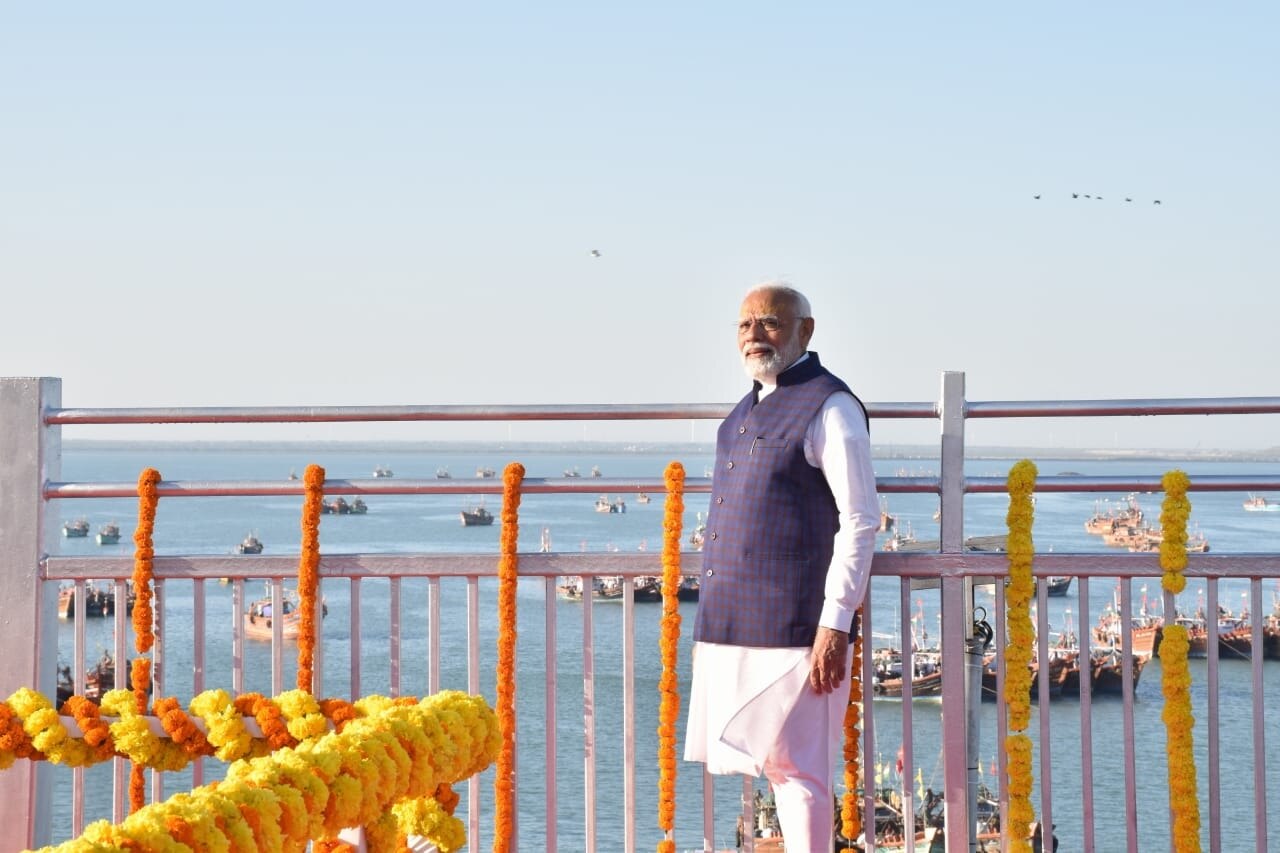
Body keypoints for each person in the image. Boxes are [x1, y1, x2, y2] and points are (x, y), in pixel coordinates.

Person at [684, 282, 879, 852]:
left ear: (804, 331)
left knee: (801, 775)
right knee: (774, 766)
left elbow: (861, 519)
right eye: (745, 325)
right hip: (733, 624)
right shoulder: (744, 411)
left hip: (799, 629)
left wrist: (835, 623)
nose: (754, 335)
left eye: (769, 322)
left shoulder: (832, 406)